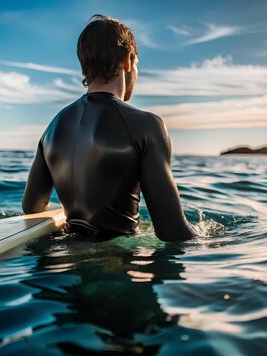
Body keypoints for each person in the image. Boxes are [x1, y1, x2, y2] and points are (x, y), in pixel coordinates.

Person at [22, 14, 197, 242]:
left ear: (84, 67)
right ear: (127, 60)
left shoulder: (52, 128)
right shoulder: (147, 125)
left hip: (62, 261)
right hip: (116, 266)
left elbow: (31, 207)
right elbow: (173, 232)